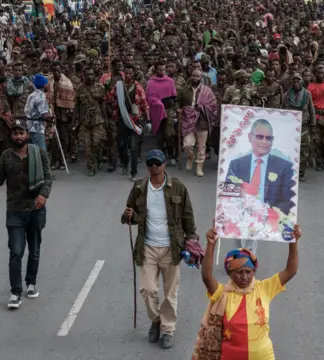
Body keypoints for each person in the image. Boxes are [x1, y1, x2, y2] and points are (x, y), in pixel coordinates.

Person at [121, 149, 198, 349]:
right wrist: (128, 215)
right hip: (147, 247)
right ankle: (156, 320)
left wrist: (192, 240)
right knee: (148, 290)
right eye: (150, 164)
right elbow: (131, 215)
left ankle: (168, 329)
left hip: (171, 248)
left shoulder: (178, 187)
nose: (154, 167)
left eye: (157, 163)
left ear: (164, 164)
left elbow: (188, 216)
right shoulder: (139, 187)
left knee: (170, 292)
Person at [193, 225, 300, 360]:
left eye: (248, 272)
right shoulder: (222, 294)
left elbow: (291, 270)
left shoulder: (264, 288)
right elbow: (207, 277)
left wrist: (293, 242)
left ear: (254, 271)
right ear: (230, 274)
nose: (244, 277)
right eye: (238, 272)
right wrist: (210, 245)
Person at [0, 119, 52, 309]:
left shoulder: (38, 153)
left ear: (27, 135)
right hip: (14, 211)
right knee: (16, 252)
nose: (19, 136)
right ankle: (15, 292)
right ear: (11, 136)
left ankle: (31, 283)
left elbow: (47, 178)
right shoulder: (6, 156)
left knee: (35, 250)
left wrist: (43, 195)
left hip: (36, 210)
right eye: (15, 133)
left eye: (22, 133)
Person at [225, 119, 296, 215]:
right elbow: (228, 197)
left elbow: (288, 201)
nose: (264, 142)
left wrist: (269, 216)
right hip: (240, 219)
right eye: (259, 137)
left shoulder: (285, 167)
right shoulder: (235, 165)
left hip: (272, 221)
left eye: (268, 138)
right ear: (250, 137)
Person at [177, 69, 218, 177]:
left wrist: (202, 107)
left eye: (197, 76)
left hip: (202, 121)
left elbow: (213, 106)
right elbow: (178, 103)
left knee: (201, 147)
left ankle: (199, 166)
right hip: (188, 121)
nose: (195, 78)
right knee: (187, 144)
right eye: (193, 76)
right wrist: (178, 109)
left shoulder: (207, 91)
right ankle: (191, 157)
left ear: (201, 78)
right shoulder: (184, 90)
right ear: (191, 76)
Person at [282, 73, 315, 182]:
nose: (296, 83)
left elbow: (311, 110)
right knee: (290, 151)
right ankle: (291, 172)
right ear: (291, 82)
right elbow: (282, 111)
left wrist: (313, 125)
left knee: (304, 151)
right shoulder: (286, 96)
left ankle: (301, 173)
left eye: (298, 81)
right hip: (290, 127)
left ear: (301, 82)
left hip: (304, 125)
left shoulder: (307, 94)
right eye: (294, 81)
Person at [24, 74, 53, 152]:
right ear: (43, 85)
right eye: (47, 83)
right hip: (37, 128)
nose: (48, 85)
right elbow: (44, 115)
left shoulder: (31, 95)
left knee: (31, 152)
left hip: (29, 127)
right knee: (41, 153)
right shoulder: (41, 96)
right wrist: (51, 117)